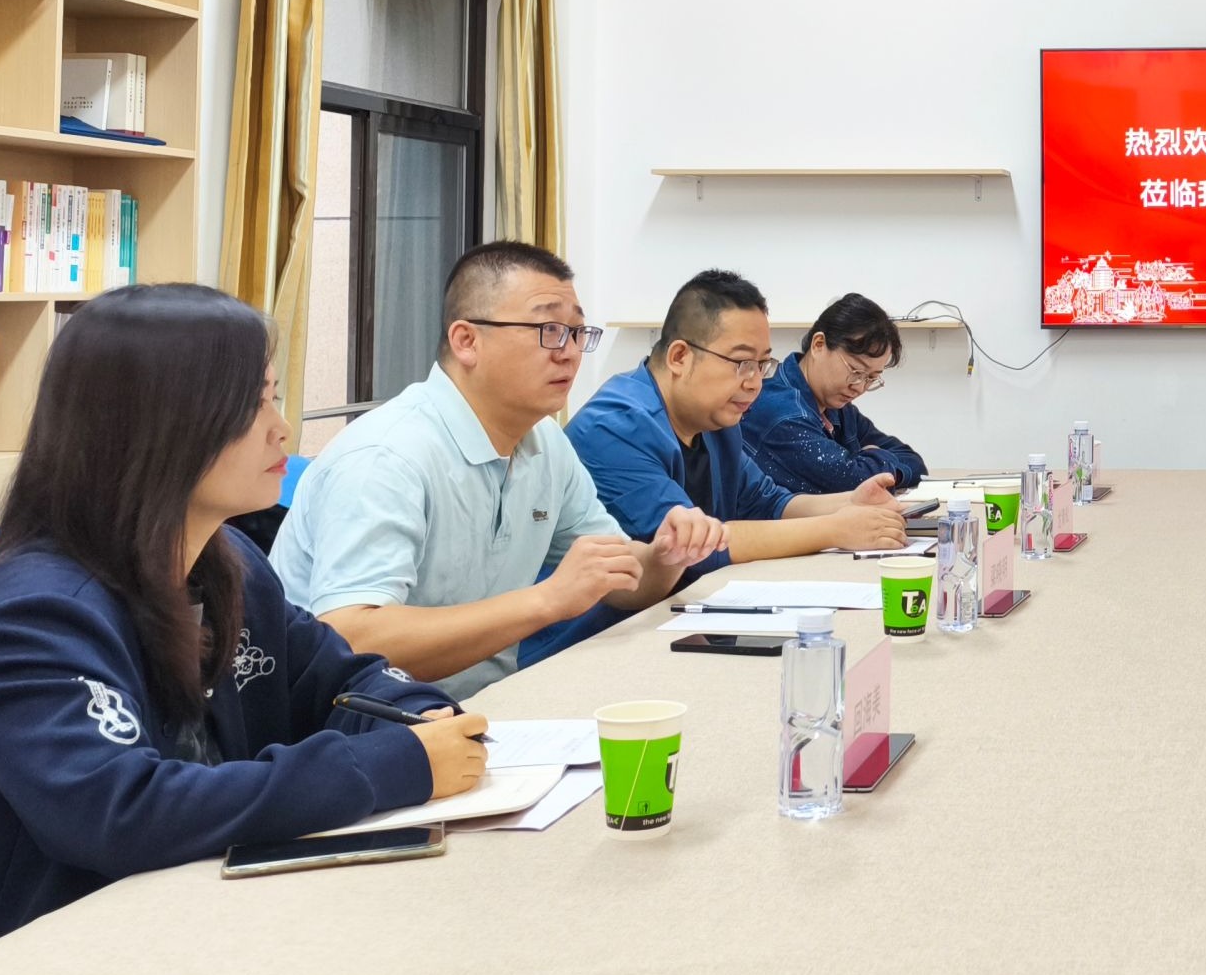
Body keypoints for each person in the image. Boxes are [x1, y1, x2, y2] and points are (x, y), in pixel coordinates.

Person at [0, 286, 487, 956]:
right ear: (159, 423)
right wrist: (388, 767)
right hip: (48, 967)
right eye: (253, 404)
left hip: (203, 920)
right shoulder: (34, 613)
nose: (282, 429)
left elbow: (343, 683)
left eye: (274, 397)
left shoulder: (227, 561)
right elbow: (120, 810)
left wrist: (419, 718)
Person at [272, 242, 725, 700]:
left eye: (576, 332)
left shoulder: (545, 442)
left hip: (484, 706)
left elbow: (622, 582)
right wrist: (547, 600)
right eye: (549, 330)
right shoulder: (388, 455)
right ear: (466, 341)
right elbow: (351, 638)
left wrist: (665, 556)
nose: (570, 352)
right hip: (359, 722)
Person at [569, 270, 908, 586]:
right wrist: (834, 529)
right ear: (679, 357)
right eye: (742, 363)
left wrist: (851, 502)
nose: (755, 383)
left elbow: (769, 503)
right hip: (607, 626)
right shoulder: (615, 427)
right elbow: (693, 549)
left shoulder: (716, 419)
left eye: (762, 364)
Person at [742, 292, 929, 496]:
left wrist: (876, 464)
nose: (859, 387)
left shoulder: (837, 408)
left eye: (871, 378)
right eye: (856, 371)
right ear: (818, 345)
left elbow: (914, 462)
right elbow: (854, 483)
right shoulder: (783, 414)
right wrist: (880, 459)